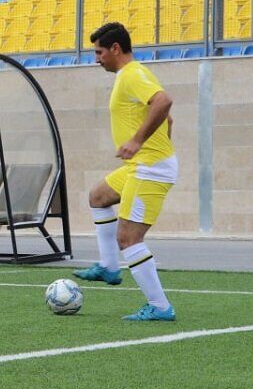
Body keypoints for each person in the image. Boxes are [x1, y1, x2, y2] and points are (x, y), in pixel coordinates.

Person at [73, 21, 177, 321]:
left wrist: (138, 141)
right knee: (98, 197)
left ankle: (160, 307)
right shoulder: (128, 75)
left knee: (128, 239)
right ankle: (109, 268)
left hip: (150, 169)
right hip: (140, 166)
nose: (96, 59)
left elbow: (164, 102)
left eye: (99, 52)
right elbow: (168, 119)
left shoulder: (132, 74)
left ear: (116, 49)